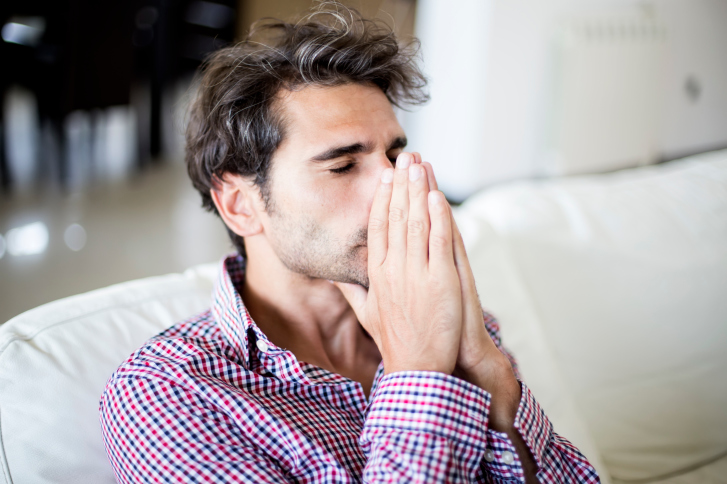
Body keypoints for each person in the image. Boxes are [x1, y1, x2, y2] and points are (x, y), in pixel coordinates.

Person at [100, 3, 600, 483]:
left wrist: (490, 374)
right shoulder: (169, 394)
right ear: (239, 204)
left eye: (395, 155)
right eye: (342, 165)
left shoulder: (447, 317)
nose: (394, 186)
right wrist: (419, 372)